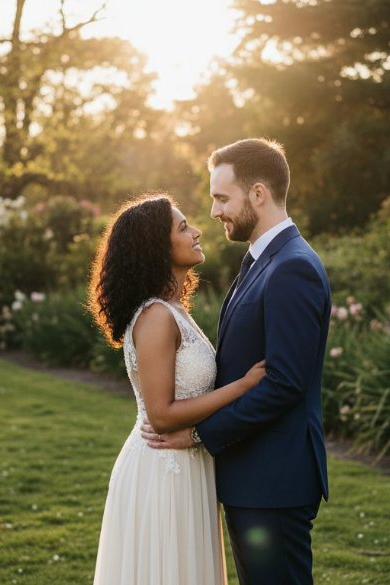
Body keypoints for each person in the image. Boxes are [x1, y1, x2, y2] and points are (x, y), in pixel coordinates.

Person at [143, 138, 332, 585]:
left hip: (274, 479)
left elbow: (284, 383)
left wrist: (199, 435)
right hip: (254, 475)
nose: (214, 212)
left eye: (221, 198)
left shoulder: (292, 267)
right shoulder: (262, 261)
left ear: (259, 194)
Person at [89, 193, 266, 585]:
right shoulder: (155, 317)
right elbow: (162, 415)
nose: (198, 231)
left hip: (189, 463)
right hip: (162, 467)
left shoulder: (174, 311)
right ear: (156, 247)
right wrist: (242, 386)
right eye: (183, 228)